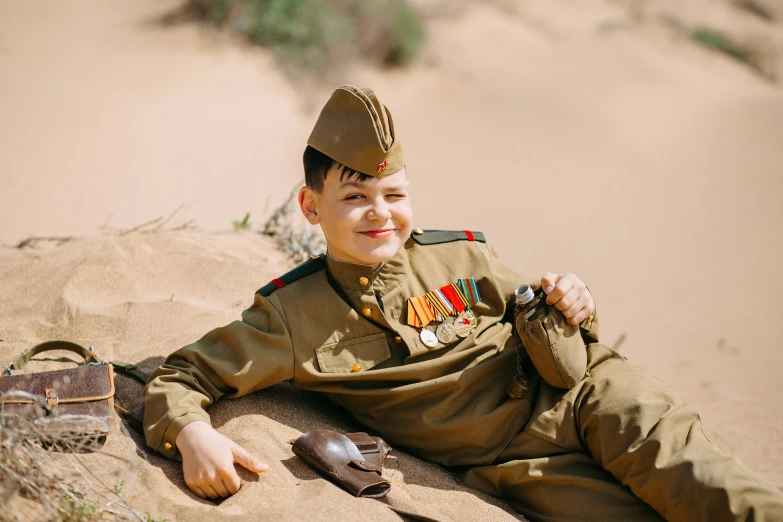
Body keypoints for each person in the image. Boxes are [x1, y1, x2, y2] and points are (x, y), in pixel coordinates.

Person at [143, 85, 783, 521]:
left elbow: (564, 335)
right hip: (514, 462)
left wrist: (576, 303)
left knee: (708, 488)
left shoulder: (465, 255)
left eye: (394, 194)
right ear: (311, 207)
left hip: (589, 397)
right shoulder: (292, 316)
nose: (380, 214)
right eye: (356, 195)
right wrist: (192, 433)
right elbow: (183, 374)